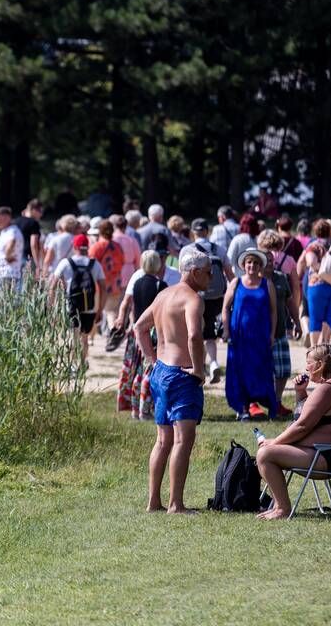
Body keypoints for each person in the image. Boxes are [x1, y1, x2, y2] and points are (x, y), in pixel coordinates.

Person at [132, 248, 211, 513]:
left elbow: (139, 328)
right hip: (182, 374)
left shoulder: (163, 295)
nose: (211, 278)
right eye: (209, 273)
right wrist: (199, 370)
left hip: (161, 371)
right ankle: (176, 504)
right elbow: (195, 336)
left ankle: (153, 501)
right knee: (181, 441)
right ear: (195, 271)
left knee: (162, 440)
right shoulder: (193, 299)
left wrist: (152, 360)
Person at [255, 344, 331, 520]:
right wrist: (301, 393)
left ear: (320, 365)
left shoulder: (326, 390)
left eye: (309, 363)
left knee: (265, 455)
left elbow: (302, 426)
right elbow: (309, 416)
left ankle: (282, 509)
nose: (306, 367)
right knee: (268, 450)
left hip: (325, 458)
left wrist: (275, 442)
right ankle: (278, 506)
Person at [222, 249, 278, 420]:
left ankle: (268, 406)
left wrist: (272, 334)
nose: (251, 265)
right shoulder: (236, 283)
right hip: (239, 336)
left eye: (255, 263)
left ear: (260, 266)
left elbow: (274, 312)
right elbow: (225, 307)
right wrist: (226, 330)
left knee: (261, 370)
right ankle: (243, 408)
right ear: (244, 265)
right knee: (239, 371)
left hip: (260, 336)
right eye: (248, 263)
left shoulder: (267, 284)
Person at [114, 250, 168, 418]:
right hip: (152, 333)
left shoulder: (137, 284)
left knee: (137, 372)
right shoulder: (161, 285)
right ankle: (145, 410)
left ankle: (135, 409)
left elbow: (131, 306)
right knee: (150, 371)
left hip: (137, 333)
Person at [181, 218, 234, 382]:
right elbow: (229, 274)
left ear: (192, 232)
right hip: (217, 297)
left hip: (194, 296)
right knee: (210, 334)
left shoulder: (186, 250)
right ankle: (213, 363)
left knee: (195, 331)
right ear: (207, 231)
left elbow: (181, 277)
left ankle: (199, 365)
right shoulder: (219, 249)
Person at [257, 231, 297, 416]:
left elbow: (290, 301)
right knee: (259, 371)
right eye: (268, 262)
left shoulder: (280, 278)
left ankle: (277, 402)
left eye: (272, 261)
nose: (271, 264)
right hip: (259, 336)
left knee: (283, 371)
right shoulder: (253, 281)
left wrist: (297, 322)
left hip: (280, 332)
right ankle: (254, 404)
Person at [51, 234, 106, 364]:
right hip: (90, 307)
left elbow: (52, 285)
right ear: (87, 247)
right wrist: (100, 309)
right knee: (84, 338)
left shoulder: (66, 262)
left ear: (74, 247)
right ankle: (82, 362)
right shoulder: (95, 264)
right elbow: (103, 288)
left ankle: (73, 364)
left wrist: (52, 306)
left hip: (70, 306)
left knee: (73, 337)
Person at [90, 219, 125, 331]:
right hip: (115, 283)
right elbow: (122, 262)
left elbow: (90, 265)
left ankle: (91, 339)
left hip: (98, 284)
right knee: (112, 312)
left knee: (94, 311)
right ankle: (112, 332)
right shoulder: (118, 247)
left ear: (100, 231)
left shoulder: (96, 247)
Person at [0, 206, 24, 291]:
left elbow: (12, 241)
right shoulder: (6, 231)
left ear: (6, 218)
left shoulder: (12, 231)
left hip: (8, 273)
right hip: (3, 272)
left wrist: (7, 255)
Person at [14, 199, 45, 276]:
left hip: (15, 256)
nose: (41, 215)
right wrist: (37, 264)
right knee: (29, 285)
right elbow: (33, 244)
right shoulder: (33, 223)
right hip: (28, 258)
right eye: (40, 211)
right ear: (34, 209)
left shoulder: (16, 221)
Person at [111, 215, 141, 293]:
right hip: (129, 272)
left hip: (115, 272)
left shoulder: (112, 240)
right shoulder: (132, 240)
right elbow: (138, 260)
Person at [226, 212, 260, 278]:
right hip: (255, 278)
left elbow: (229, 261)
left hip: (239, 279)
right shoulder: (258, 240)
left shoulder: (237, 239)